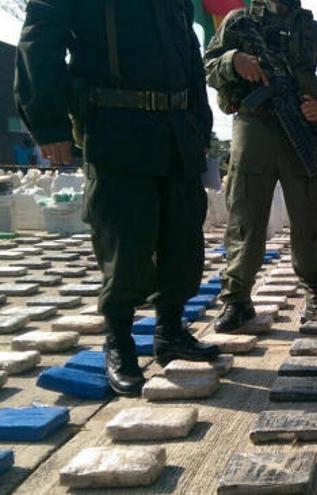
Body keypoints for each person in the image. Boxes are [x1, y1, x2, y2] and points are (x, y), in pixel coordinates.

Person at [14, 0, 220, 396]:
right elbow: (40, 40)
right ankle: (120, 340)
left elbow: (190, 57)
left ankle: (171, 331)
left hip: (177, 132)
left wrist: (201, 127)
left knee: (183, 239)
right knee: (126, 241)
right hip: (116, 128)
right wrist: (47, 122)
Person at [204, 0, 317, 333]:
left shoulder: (315, 32)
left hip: (300, 128)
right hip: (253, 126)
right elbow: (208, 65)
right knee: (245, 216)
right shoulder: (239, 22)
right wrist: (233, 61)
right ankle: (237, 300)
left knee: (311, 217)